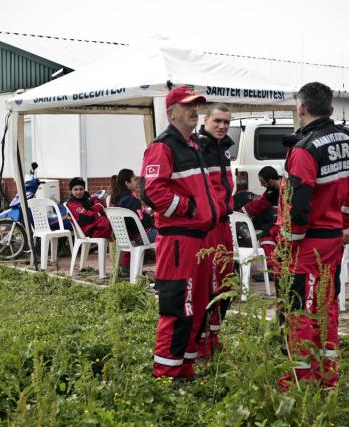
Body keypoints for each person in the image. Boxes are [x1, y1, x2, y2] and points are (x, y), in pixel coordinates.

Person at [277, 82, 349, 391]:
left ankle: (298, 383)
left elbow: (298, 205)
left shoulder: (304, 150)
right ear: (330, 109)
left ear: (301, 108)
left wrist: (287, 243)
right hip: (332, 240)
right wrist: (347, 222)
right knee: (327, 304)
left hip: (307, 245)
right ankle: (327, 376)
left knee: (300, 308)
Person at [140, 85, 216, 379]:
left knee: (196, 306)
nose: (194, 110)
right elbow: (152, 191)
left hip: (198, 240)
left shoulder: (192, 145)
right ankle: (165, 375)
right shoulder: (163, 146)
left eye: (196, 105)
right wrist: (189, 208)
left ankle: (184, 366)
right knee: (176, 306)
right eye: (187, 106)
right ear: (171, 113)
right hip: (178, 242)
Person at [194, 103, 234, 359]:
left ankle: (214, 335)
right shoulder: (197, 148)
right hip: (206, 227)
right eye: (217, 121)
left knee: (225, 282)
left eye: (226, 123)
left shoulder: (224, 149)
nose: (221, 126)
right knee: (207, 285)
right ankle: (200, 342)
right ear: (205, 119)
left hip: (224, 225)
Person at [111, 168, 157, 275]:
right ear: (127, 183)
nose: (137, 181)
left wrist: (145, 214)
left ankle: (127, 267)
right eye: (134, 179)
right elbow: (140, 222)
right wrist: (148, 216)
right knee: (167, 238)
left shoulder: (119, 198)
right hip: (142, 235)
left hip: (130, 236)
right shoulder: (130, 200)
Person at [238, 166, 282, 276]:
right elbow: (259, 204)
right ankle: (271, 267)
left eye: (263, 182)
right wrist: (240, 213)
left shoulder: (285, 188)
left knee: (268, 232)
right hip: (284, 220)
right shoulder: (273, 190)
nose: (262, 185)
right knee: (267, 230)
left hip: (291, 221)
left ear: (270, 181)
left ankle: (272, 269)